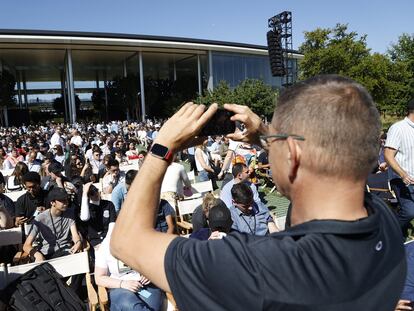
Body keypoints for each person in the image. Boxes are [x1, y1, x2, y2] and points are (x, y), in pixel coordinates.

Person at [111, 76, 406, 310]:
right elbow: (324, 175)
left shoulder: (258, 269)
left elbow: (126, 242)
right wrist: (268, 135)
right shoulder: (385, 224)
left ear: (292, 154)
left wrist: (162, 146)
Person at [95, 223, 164, 311]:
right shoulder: (105, 248)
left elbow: (156, 263)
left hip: (145, 286)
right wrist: (123, 283)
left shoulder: (140, 241)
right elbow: (99, 278)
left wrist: (149, 273)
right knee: (132, 306)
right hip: (119, 287)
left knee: (153, 307)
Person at [23, 187, 82, 261]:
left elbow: (75, 235)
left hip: (66, 251)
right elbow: (26, 245)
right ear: (52, 203)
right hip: (46, 253)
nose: (66, 203)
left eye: (67, 200)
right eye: (62, 201)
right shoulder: (40, 219)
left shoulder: (70, 213)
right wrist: (37, 254)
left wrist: (78, 242)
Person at [384, 99, 414, 234]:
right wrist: (403, 174)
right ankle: (388, 232)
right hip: (402, 180)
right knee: (409, 212)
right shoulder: (398, 128)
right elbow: (388, 155)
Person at [80, 182, 117, 247]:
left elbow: (112, 224)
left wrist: (106, 241)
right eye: (91, 193)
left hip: (109, 238)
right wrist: (84, 193)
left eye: (96, 190)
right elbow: (84, 218)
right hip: (95, 240)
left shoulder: (108, 204)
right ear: (88, 196)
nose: (95, 194)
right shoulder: (87, 208)